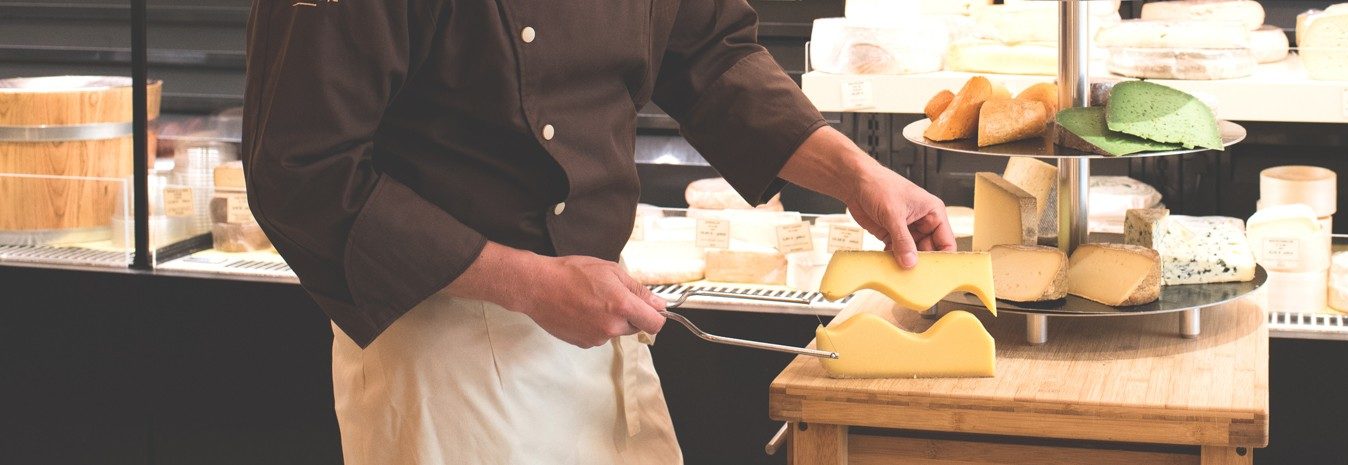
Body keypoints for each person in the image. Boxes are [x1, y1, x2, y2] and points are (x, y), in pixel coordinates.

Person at [241, 1, 956, 464]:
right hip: (444, 346)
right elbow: (300, 169)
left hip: (595, 323)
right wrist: (530, 282)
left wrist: (855, 173)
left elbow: (710, 53)